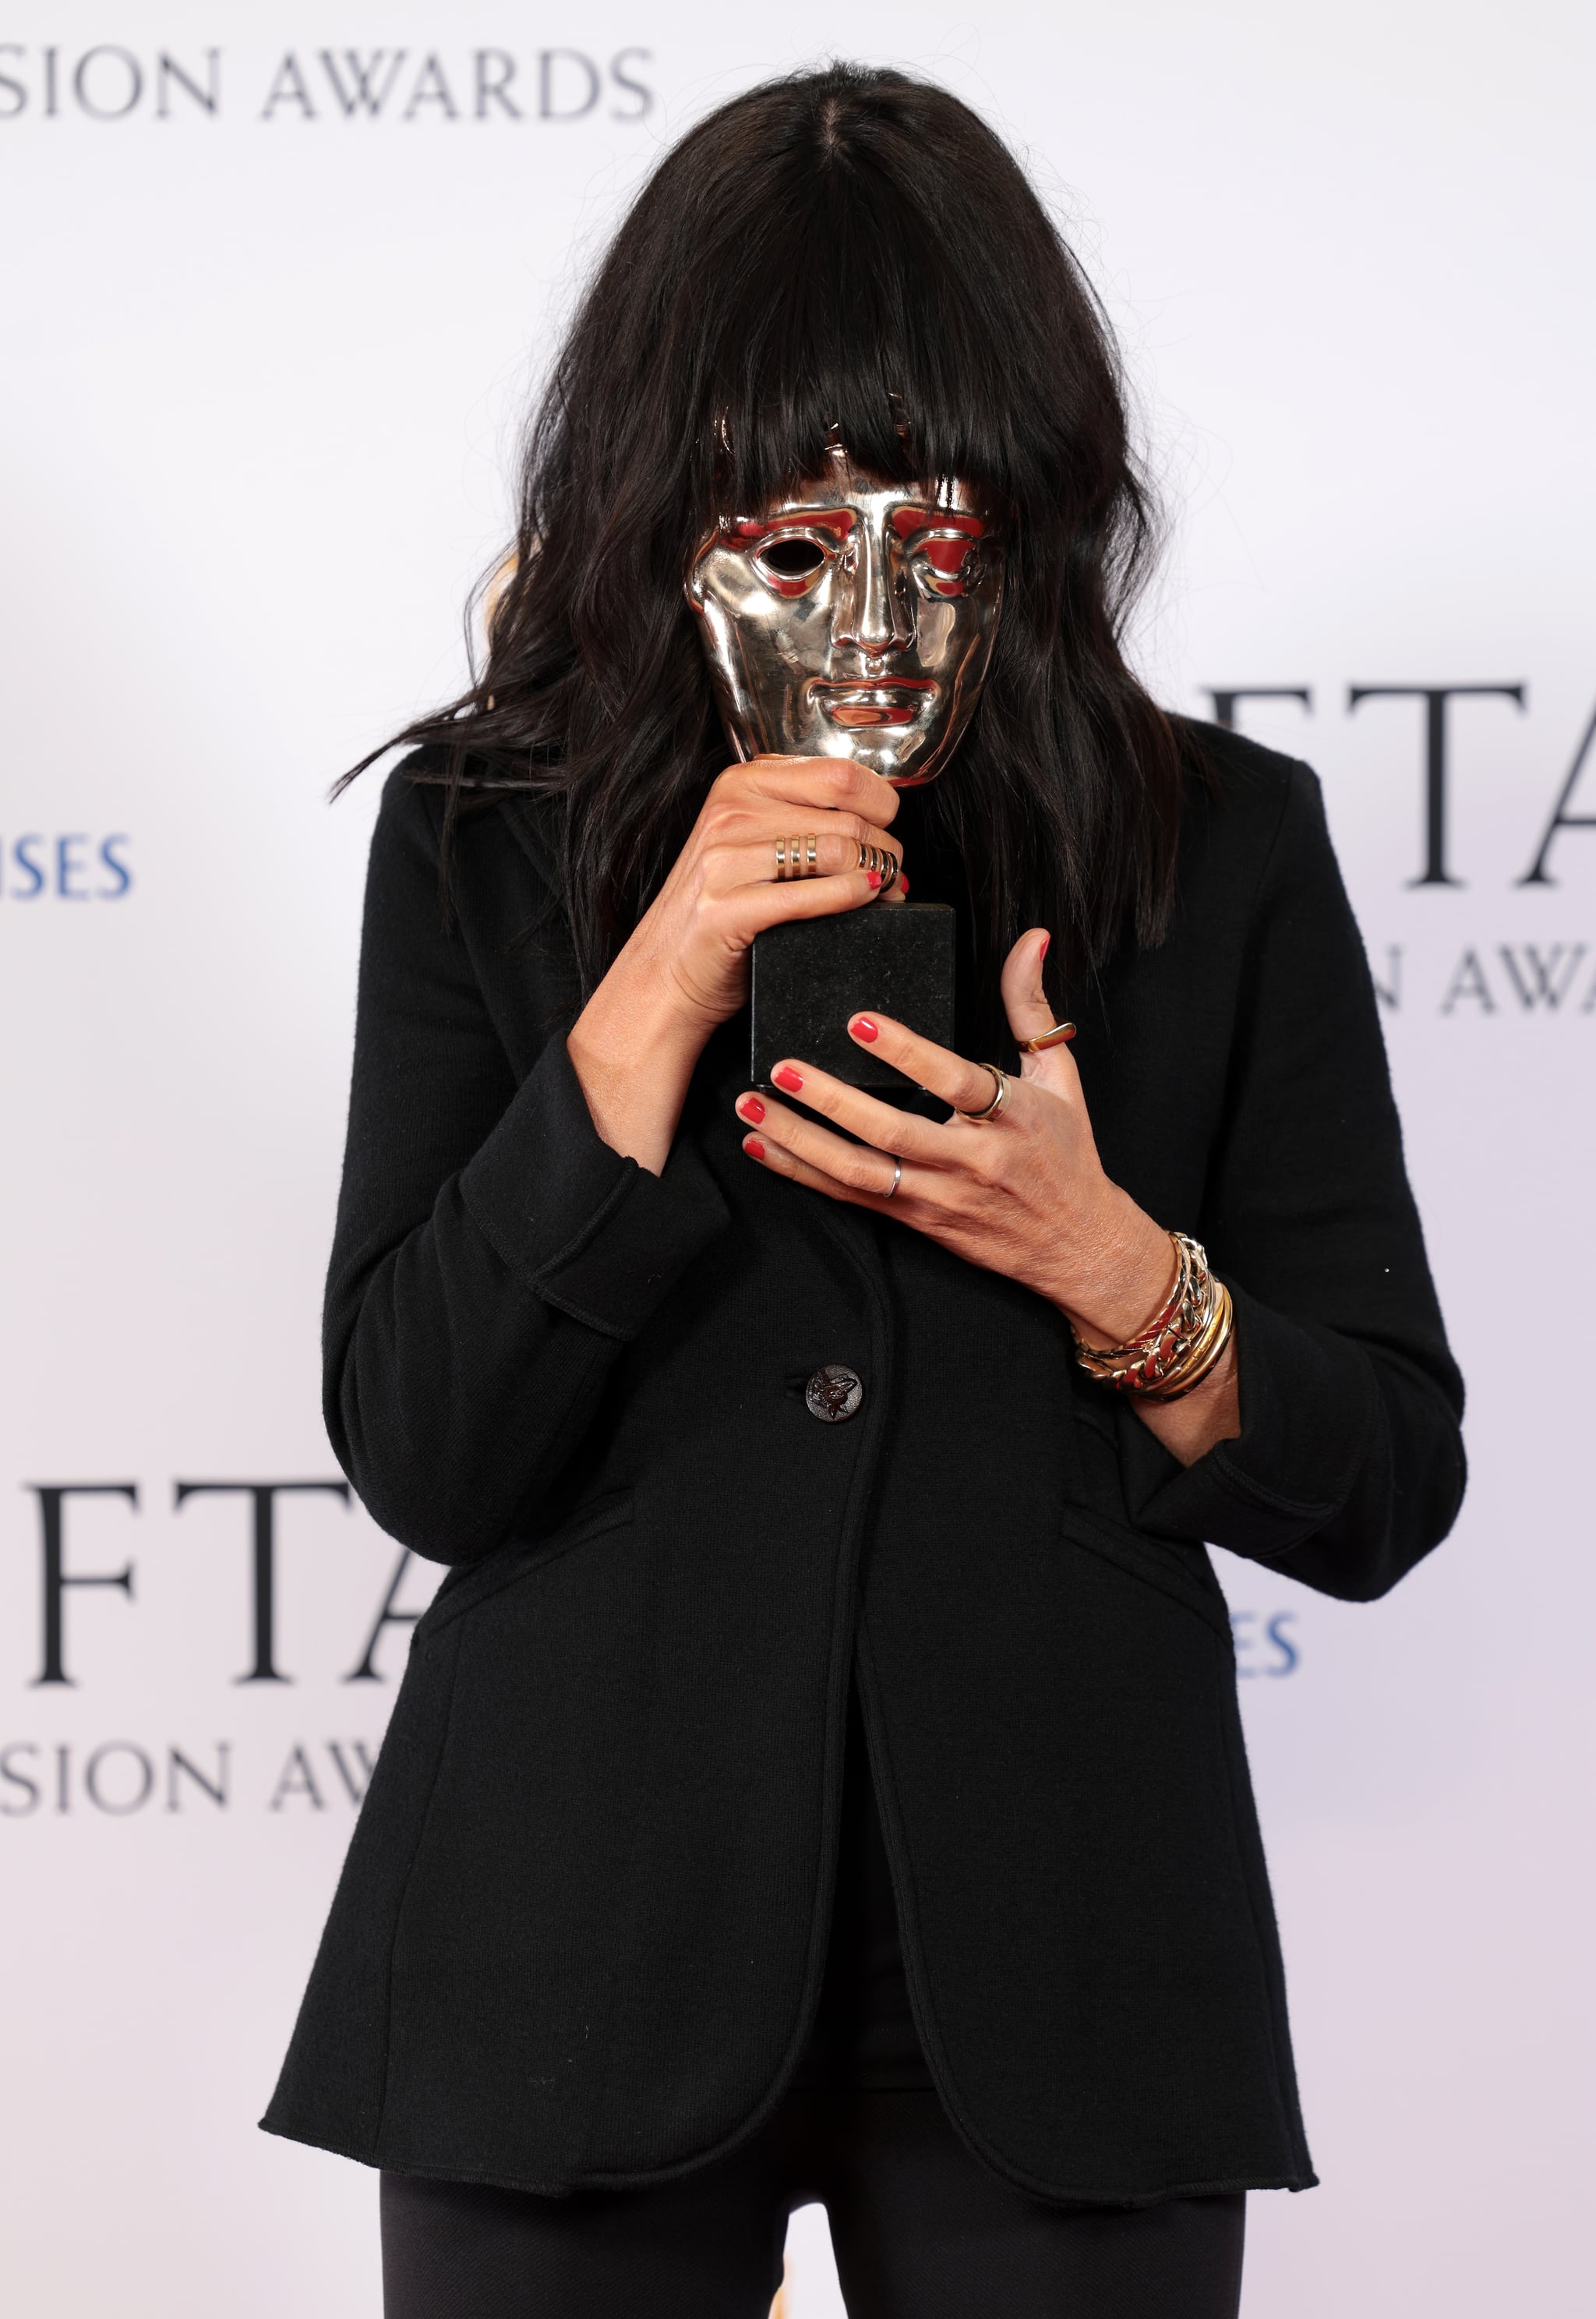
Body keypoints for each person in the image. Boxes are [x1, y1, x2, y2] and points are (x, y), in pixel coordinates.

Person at [261, 63, 1465, 2319]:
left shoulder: (1222, 844)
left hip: (1069, 1965)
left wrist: (1118, 1275)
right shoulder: (483, 838)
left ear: (1038, 508)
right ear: (660, 512)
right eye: (797, 542)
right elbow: (423, 1447)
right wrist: (644, 1005)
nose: (882, 605)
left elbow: (1387, 1479)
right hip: (569, 1942)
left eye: (947, 529)